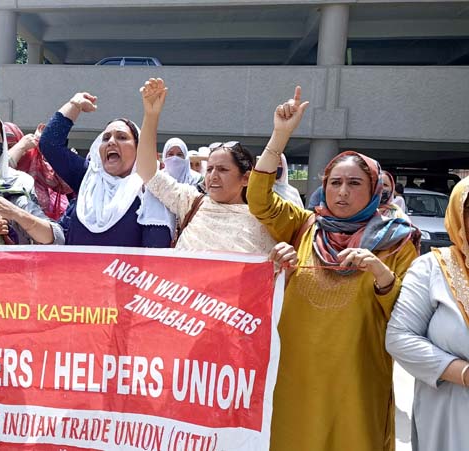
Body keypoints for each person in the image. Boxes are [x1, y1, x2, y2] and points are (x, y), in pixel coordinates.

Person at [247, 86, 419, 451]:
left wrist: (380, 274)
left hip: (356, 376)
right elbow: (258, 199)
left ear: (374, 190)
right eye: (334, 183)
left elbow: (409, 316)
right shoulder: (304, 226)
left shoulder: (398, 241)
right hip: (296, 373)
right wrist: (280, 135)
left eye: (354, 184)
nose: (342, 192)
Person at [135, 78, 276, 254]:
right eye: (209, 169)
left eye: (223, 169)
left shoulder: (265, 222)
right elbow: (147, 172)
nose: (213, 176)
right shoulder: (191, 202)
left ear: (246, 178)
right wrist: (151, 116)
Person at [386, 176, 469, 451]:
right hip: (452, 409)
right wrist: (464, 373)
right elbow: (400, 338)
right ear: (460, 216)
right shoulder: (432, 268)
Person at [38, 91, 172, 247]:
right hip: (74, 271)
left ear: (139, 149)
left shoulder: (150, 191)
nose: (111, 142)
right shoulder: (88, 179)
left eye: (122, 137)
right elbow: (49, 144)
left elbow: (154, 257)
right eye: (106, 138)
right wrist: (75, 105)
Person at [4, 122, 72, 221]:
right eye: (4, 148)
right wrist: (20, 146)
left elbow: (66, 185)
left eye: (11, 146)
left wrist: (46, 149)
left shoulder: (35, 163)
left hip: (39, 230)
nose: (8, 152)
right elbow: (1, 170)